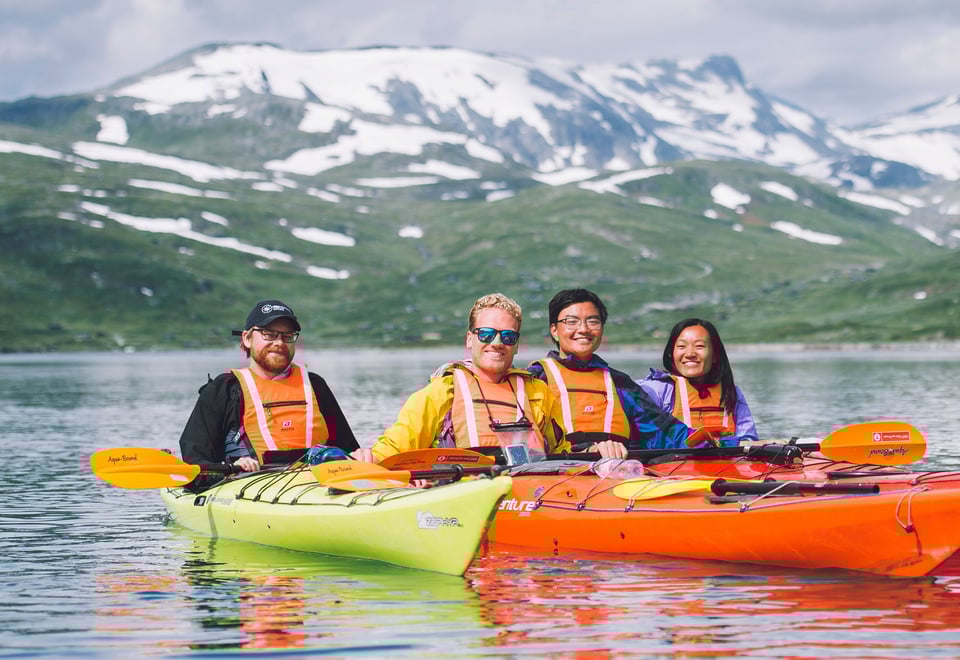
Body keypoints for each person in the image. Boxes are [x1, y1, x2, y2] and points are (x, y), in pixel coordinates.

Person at [354, 293, 571, 463]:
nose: (497, 342)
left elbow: (561, 452)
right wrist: (371, 457)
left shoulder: (538, 392)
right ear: (470, 339)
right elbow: (397, 444)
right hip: (466, 493)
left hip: (528, 494)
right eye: (486, 334)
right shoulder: (443, 390)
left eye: (507, 336)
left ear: (516, 346)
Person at [179, 299, 359, 472]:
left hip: (315, 484)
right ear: (247, 338)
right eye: (269, 334)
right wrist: (233, 466)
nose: (279, 342)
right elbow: (196, 462)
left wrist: (360, 457)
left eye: (287, 336)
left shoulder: (315, 385)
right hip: (249, 484)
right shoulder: (224, 391)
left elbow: (348, 451)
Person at [527, 289, 715, 453]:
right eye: (572, 321)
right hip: (557, 474)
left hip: (616, 474)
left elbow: (665, 432)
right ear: (554, 330)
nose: (583, 329)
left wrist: (716, 442)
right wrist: (589, 449)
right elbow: (526, 440)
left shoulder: (620, 383)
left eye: (593, 322)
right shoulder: (536, 378)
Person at [638, 318, 759, 445]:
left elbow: (748, 440)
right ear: (671, 354)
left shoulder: (731, 392)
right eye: (681, 346)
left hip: (727, 460)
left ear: (715, 355)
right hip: (672, 461)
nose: (690, 353)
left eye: (699, 346)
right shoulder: (656, 390)